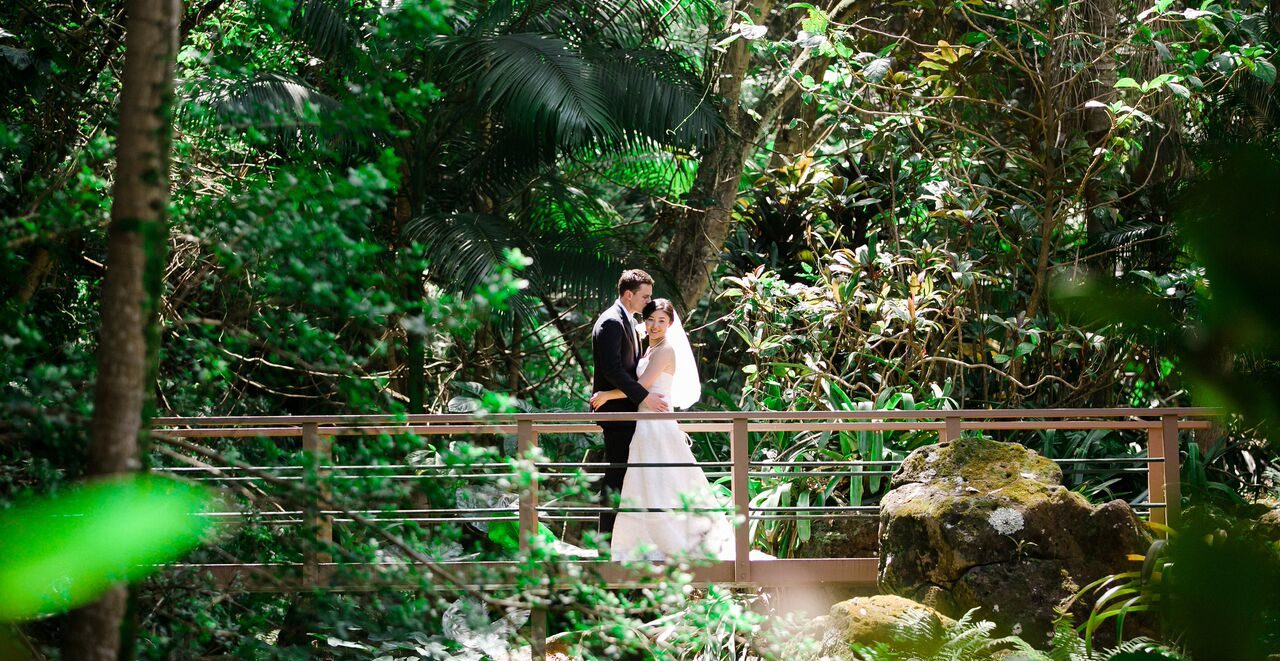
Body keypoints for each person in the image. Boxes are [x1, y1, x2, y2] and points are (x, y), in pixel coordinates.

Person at [589, 299, 737, 561]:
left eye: (661, 321)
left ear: (670, 324)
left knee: (664, 480)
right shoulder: (648, 348)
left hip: (656, 424)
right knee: (646, 482)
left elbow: (642, 385)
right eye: (650, 320)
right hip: (645, 424)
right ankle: (643, 541)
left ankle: (677, 540)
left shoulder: (665, 350)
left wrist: (605, 396)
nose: (655, 326)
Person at [590, 270, 669, 540]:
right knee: (616, 478)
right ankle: (605, 545)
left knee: (624, 478)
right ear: (628, 295)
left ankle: (621, 541)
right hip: (617, 415)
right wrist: (644, 397)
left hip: (628, 412)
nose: (649, 301)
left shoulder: (628, 321)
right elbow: (613, 370)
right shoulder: (611, 322)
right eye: (645, 296)